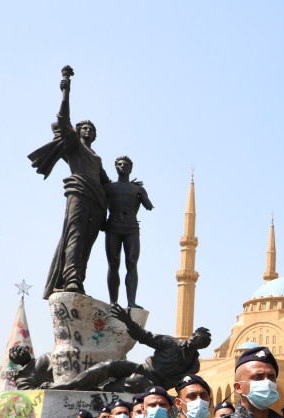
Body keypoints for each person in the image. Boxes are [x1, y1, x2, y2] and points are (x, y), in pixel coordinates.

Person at [29, 66, 111, 299]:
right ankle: (71, 278)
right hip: (79, 193)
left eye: (92, 129)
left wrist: (130, 191)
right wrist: (66, 91)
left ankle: (78, 279)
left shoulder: (96, 158)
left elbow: (107, 183)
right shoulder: (74, 146)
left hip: (97, 201)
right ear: (77, 131)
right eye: (84, 127)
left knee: (87, 242)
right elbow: (63, 119)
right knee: (75, 235)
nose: (88, 130)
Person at [52, 304, 212, 393]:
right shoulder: (170, 343)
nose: (194, 341)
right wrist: (128, 321)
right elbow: (144, 336)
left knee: (134, 382)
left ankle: (97, 391)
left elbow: (179, 386)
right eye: (195, 337)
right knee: (111, 365)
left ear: (201, 346)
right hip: (144, 369)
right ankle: (69, 385)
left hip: (154, 385)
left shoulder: (193, 366)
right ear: (191, 335)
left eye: (200, 342)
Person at [103, 156, 153, 308]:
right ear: (115, 167)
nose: (123, 166)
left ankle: (131, 301)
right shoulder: (108, 187)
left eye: (126, 164)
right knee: (113, 263)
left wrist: (142, 195)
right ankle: (113, 302)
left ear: (131, 168)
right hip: (113, 227)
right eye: (119, 164)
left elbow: (149, 206)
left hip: (131, 228)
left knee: (131, 262)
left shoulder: (137, 189)